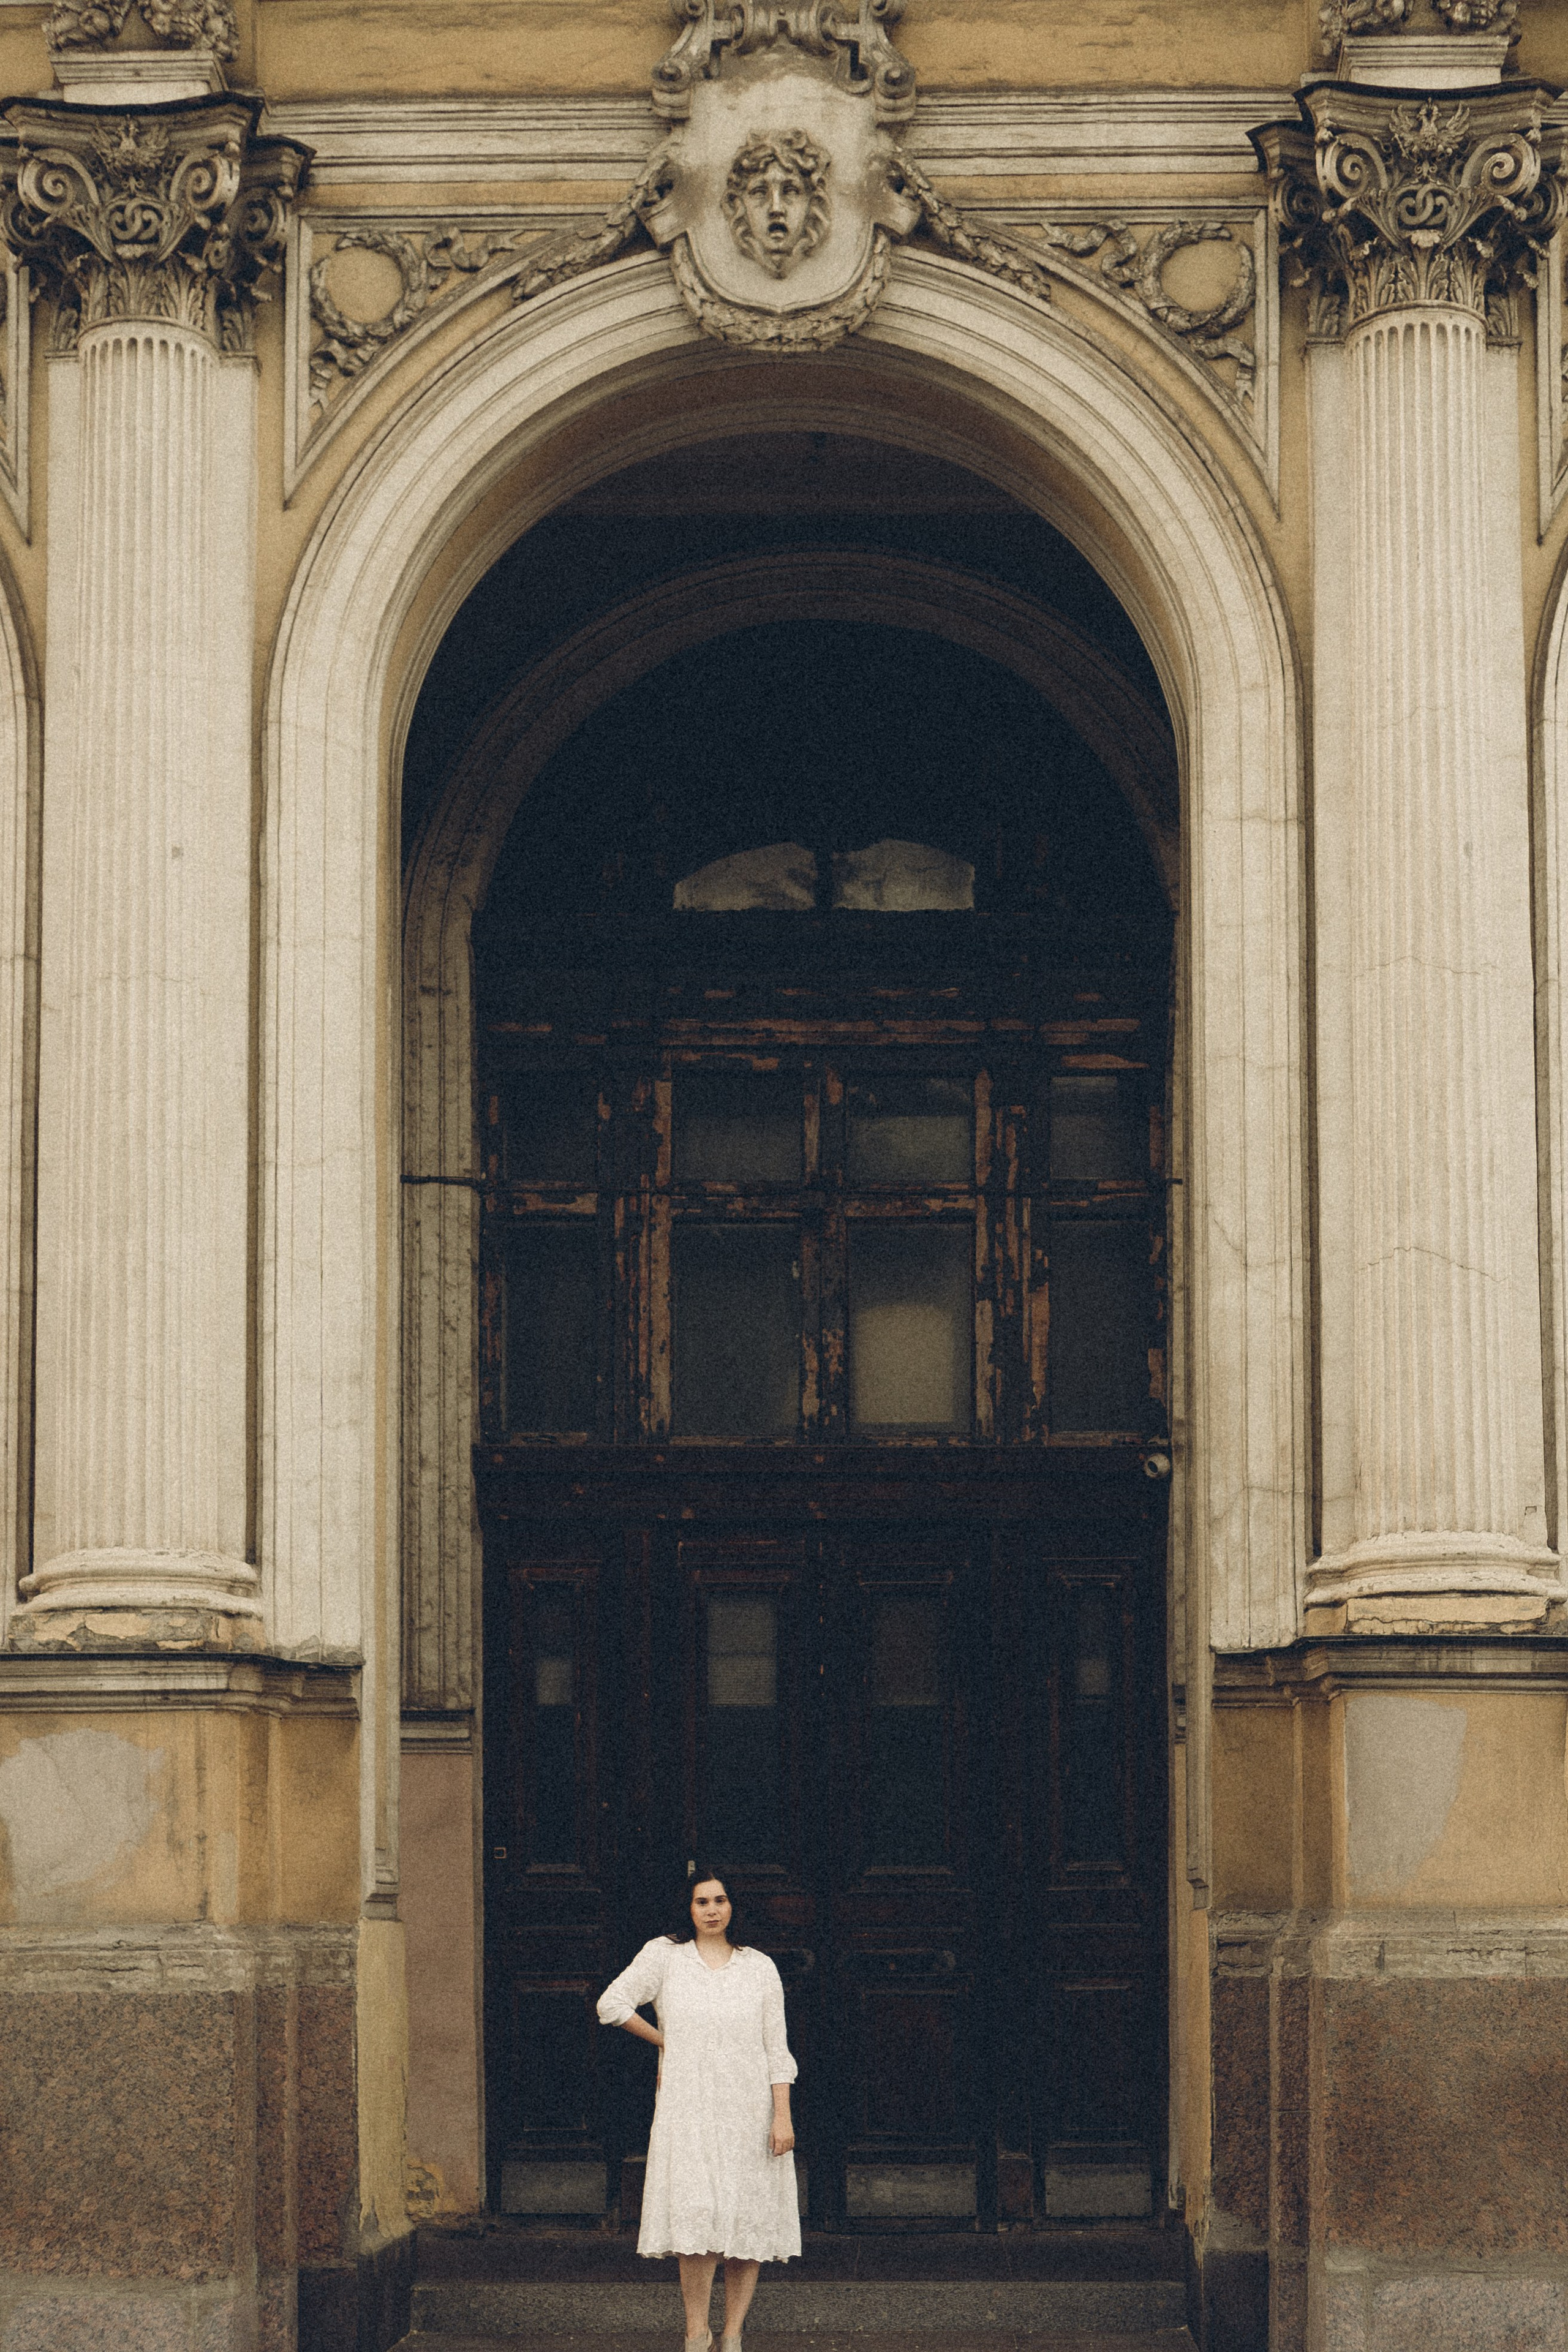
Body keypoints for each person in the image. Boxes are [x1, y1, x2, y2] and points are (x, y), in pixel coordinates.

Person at [597, 1867, 799, 2351]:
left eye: (721, 1900)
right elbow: (613, 2004)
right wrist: (667, 2043)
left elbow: (777, 2049)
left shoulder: (759, 1967)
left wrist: (782, 2114)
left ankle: (732, 2334)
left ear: (734, 1907)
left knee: (745, 2221)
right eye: (702, 1902)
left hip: (749, 2110)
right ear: (687, 1909)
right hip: (688, 2110)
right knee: (698, 2220)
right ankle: (696, 2332)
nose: (712, 1910)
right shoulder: (665, 1957)